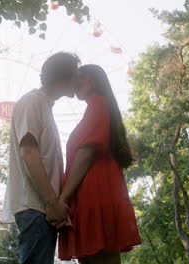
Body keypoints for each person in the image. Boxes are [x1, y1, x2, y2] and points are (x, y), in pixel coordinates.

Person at [1, 52, 81, 264]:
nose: (79, 80)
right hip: (35, 207)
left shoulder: (44, 105)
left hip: (43, 208)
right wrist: (52, 202)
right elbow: (29, 154)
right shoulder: (31, 102)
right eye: (76, 74)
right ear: (65, 76)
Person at [58, 64, 141, 264]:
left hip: (93, 195)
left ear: (92, 81)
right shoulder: (100, 107)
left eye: (80, 77)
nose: (75, 82)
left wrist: (62, 199)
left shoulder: (98, 104)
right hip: (97, 194)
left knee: (96, 257)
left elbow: (86, 154)